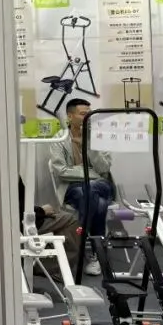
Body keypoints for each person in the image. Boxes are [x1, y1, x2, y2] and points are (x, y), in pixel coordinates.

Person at [49, 98, 114, 276]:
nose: (88, 117)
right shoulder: (60, 138)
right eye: (84, 114)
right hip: (74, 187)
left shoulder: (98, 137)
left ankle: (79, 243)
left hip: (102, 185)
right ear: (70, 116)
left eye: (90, 114)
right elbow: (61, 171)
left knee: (92, 190)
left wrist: (91, 144)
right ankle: (97, 252)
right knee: (99, 203)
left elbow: (104, 168)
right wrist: (90, 174)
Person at [18, 175, 80, 280]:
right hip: (24, 222)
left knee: (99, 200)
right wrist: (42, 211)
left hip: (24, 217)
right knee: (71, 220)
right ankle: (55, 270)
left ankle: (47, 266)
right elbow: (20, 209)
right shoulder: (11, 176)